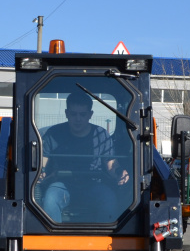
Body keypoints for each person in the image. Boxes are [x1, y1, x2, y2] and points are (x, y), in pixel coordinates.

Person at [40, 91, 129, 222]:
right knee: (50, 200)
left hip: (93, 184)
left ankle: (104, 240)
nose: (78, 119)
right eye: (73, 114)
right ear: (66, 113)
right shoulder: (54, 134)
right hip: (61, 184)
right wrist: (40, 173)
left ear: (90, 114)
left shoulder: (101, 135)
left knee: (109, 199)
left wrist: (120, 173)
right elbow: (43, 163)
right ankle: (53, 240)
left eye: (82, 114)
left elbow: (111, 164)